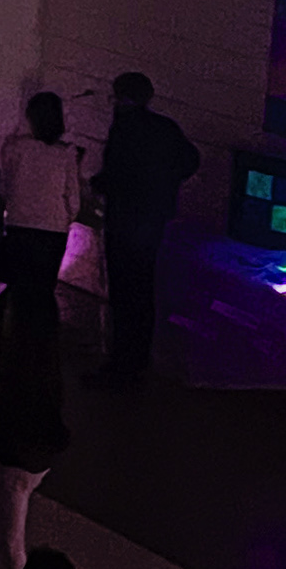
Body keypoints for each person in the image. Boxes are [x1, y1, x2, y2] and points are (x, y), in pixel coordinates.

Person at [89, 72, 201, 390]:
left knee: (123, 292)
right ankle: (138, 360)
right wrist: (165, 188)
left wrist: (98, 184)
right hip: (152, 222)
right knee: (142, 289)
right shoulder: (165, 128)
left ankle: (121, 363)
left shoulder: (124, 129)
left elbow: (116, 175)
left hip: (124, 221)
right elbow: (191, 160)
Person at [0, 300, 72, 569]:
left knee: (8, 539)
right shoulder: (45, 363)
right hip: (25, 458)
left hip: (16, 458)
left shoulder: (20, 367)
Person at [0, 91, 86, 360]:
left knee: (21, 288)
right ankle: (43, 347)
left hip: (20, 224)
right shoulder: (67, 154)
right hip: (53, 230)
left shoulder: (15, 148)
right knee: (44, 290)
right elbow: (73, 199)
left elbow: (4, 188)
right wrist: (63, 218)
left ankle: (17, 345)